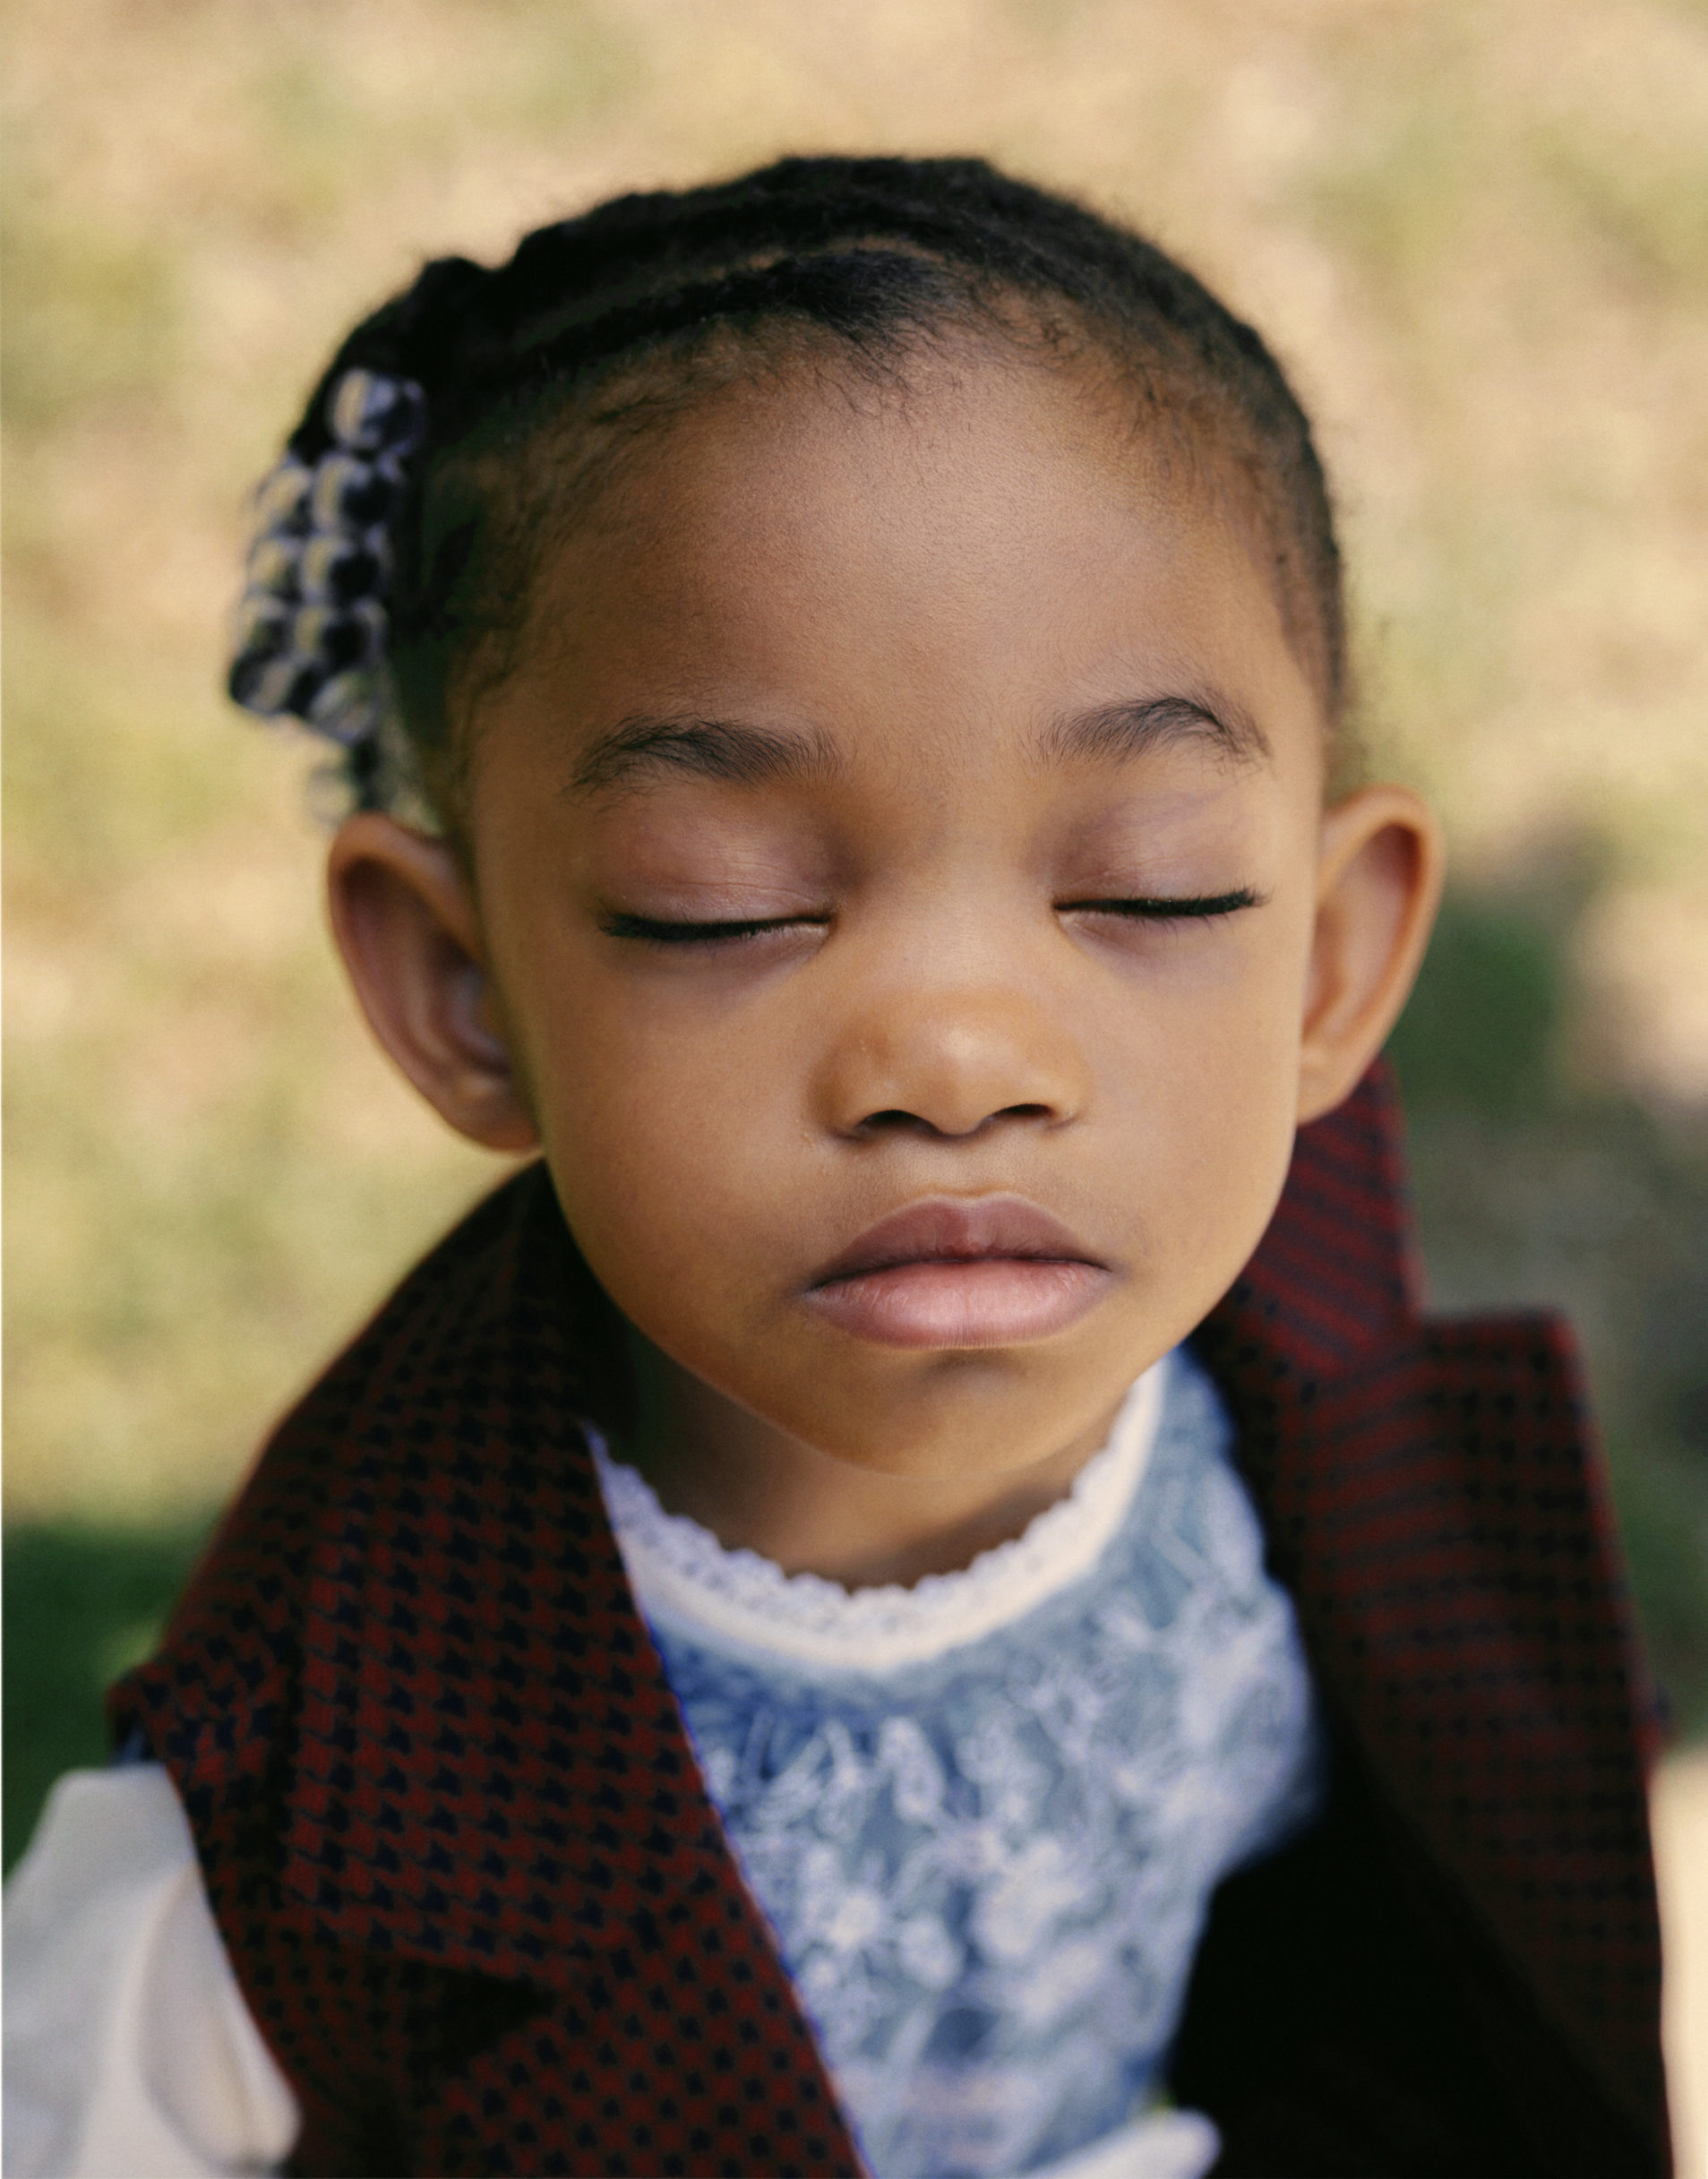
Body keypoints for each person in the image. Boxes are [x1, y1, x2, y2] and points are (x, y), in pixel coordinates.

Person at [3, 157, 1670, 2179]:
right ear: (462, 984)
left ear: (1324, 965)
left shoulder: (1306, 1372)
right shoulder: (305, 1800)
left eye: (1146, 887)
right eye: (725, 910)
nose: (958, 1056)